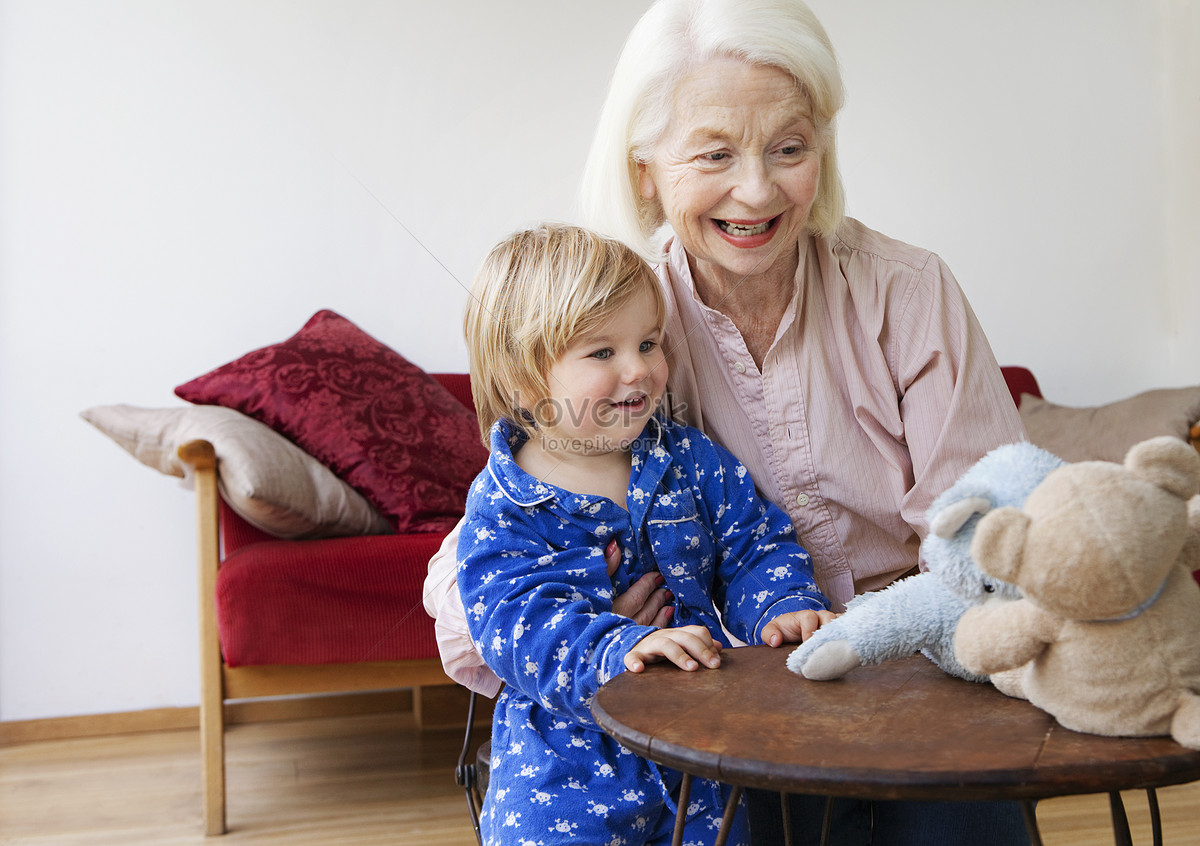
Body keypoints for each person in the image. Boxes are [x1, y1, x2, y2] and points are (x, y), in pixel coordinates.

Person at [425, 1, 1029, 843]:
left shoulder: (907, 290)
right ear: (645, 171)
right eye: (714, 154)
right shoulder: (617, 325)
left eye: (790, 147)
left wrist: (870, 632)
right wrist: (599, 628)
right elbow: (473, 578)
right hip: (737, 699)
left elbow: (992, 539)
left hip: (916, 671)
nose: (757, 189)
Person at [457, 222, 835, 846]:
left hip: (700, 743)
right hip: (566, 769)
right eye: (602, 353)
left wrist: (782, 605)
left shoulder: (689, 458)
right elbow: (515, 622)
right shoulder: (506, 503)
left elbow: (756, 545)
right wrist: (616, 647)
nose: (639, 370)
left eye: (649, 343)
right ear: (526, 378)